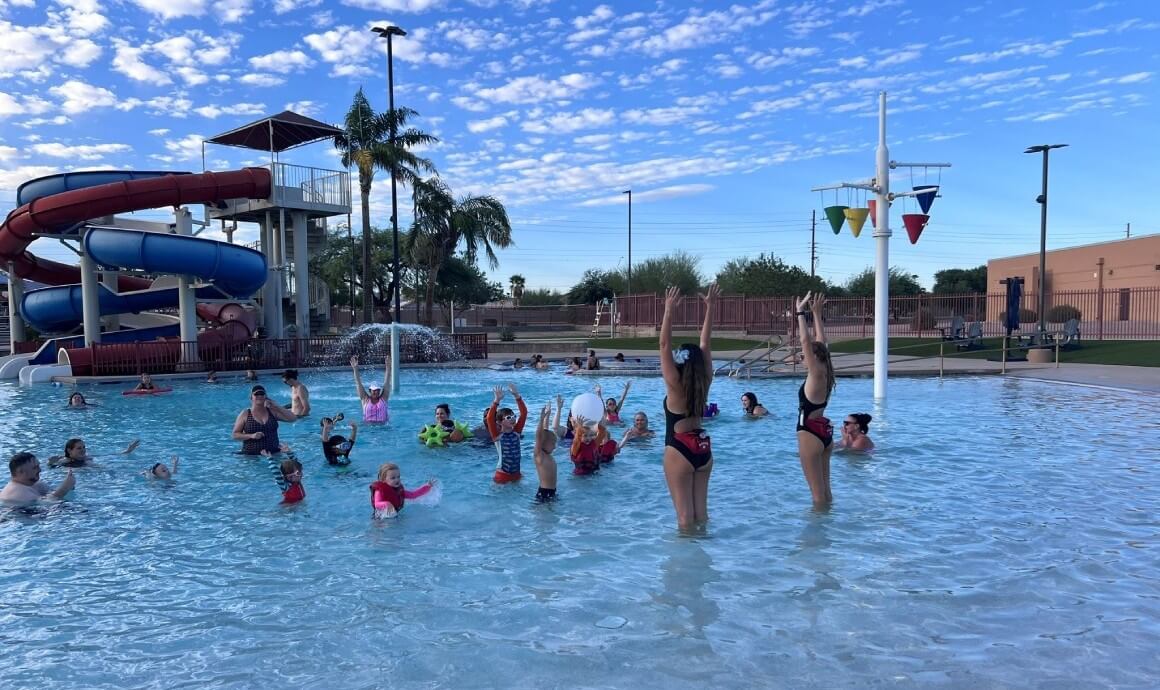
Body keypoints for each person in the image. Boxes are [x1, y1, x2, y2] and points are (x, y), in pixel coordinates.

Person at [659, 284, 718, 531]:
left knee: (684, 520)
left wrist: (668, 311)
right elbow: (705, 344)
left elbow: (664, 344)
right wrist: (710, 308)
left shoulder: (675, 384)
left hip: (679, 450)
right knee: (701, 516)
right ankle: (705, 552)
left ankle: (687, 557)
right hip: (703, 450)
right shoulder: (706, 380)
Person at [795, 292, 836, 508]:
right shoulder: (826, 373)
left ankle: (818, 528)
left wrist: (800, 313)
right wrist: (817, 314)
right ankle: (831, 525)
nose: (802, 358)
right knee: (826, 492)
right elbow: (822, 342)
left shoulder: (815, 374)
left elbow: (806, 341)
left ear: (814, 357)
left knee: (817, 497)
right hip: (824, 434)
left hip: (809, 434)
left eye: (804, 356)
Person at [232, 385, 297, 455]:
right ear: (251, 397)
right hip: (251, 455)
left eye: (262, 394)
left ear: (266, 397)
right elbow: (235, 435)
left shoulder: (272, 412)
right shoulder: (245, 414)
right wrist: (251, 436)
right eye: (256, 394)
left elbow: (293, 418)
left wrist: (276, 405)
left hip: (273, 453)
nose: (259, 396)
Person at [486, 383, 528, 483]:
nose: (513, 419)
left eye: (514, 416)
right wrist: (496, 401)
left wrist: (517, 396)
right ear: (499, 422)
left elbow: (524, 413)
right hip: (502, 475)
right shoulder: (497, 436)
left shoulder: (517, 432)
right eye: (508, 417)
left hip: (517, 474)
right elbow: (490, 418)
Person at [1, 452, 75, 504]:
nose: (40, 470)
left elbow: (52, 495)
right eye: (35, 468)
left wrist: (69, 486)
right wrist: (65, 488)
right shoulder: (16, 493)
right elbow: (48, 504)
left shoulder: (32, 484)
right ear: (21, 472)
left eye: (38, 466)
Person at [369, 462, 437, 519]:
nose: (397, 479)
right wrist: (387, 504)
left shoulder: (399, 491)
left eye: (398, 477)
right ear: (383, 480)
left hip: (394, 516)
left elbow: (413, 495)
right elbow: (377, 504)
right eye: (393, 478)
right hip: (380, 519)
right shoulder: (379, 491)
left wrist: (427, 486)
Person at [47, 438, 140, 468]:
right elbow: (51, 466)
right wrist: (50, 463)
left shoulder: (87, 457)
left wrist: (127, 451)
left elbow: (109, 455)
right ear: (69, 450)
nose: (83, 450)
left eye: (84, 447)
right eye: (79, 448)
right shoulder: (65, 461)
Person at [351, 355, 390, 423]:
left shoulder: (384, 398)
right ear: (370, 391)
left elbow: (386, 382)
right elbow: (358, 383)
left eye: (377, 390)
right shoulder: (365, 399)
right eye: (374, 390)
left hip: (383, 427)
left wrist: (388, 367)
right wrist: (355, 368)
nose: (376, 392)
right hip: (368, 427)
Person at [532, 403, 558, 503]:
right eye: (553, 444)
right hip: (544, 493)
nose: (555, 447)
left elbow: (545, 431)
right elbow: (539, 436)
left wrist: (547, 416)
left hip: (552, 492)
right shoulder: (539, 456)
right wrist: (541, 419)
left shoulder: (547, 455)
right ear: (544, 443)